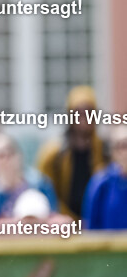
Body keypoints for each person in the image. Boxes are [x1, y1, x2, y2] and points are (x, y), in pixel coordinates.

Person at [36, 85, 109, 220]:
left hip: (99, 226)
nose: (84, 117)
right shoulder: (53, 154)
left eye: (89, 111)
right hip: (64, 226)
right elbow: (45, 192)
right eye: (78, 112)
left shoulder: (106, 151)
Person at [0, 132, 57, 227]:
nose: (6, 160)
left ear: (19, 155)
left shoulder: (40, 183)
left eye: (10, 153)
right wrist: (1, 190)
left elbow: (52, 215)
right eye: (0, 156)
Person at [81, 124, 127, 229]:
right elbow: (91, 226)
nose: (125, 152)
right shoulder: (101, 183)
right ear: (112, 151)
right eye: (121, 146)